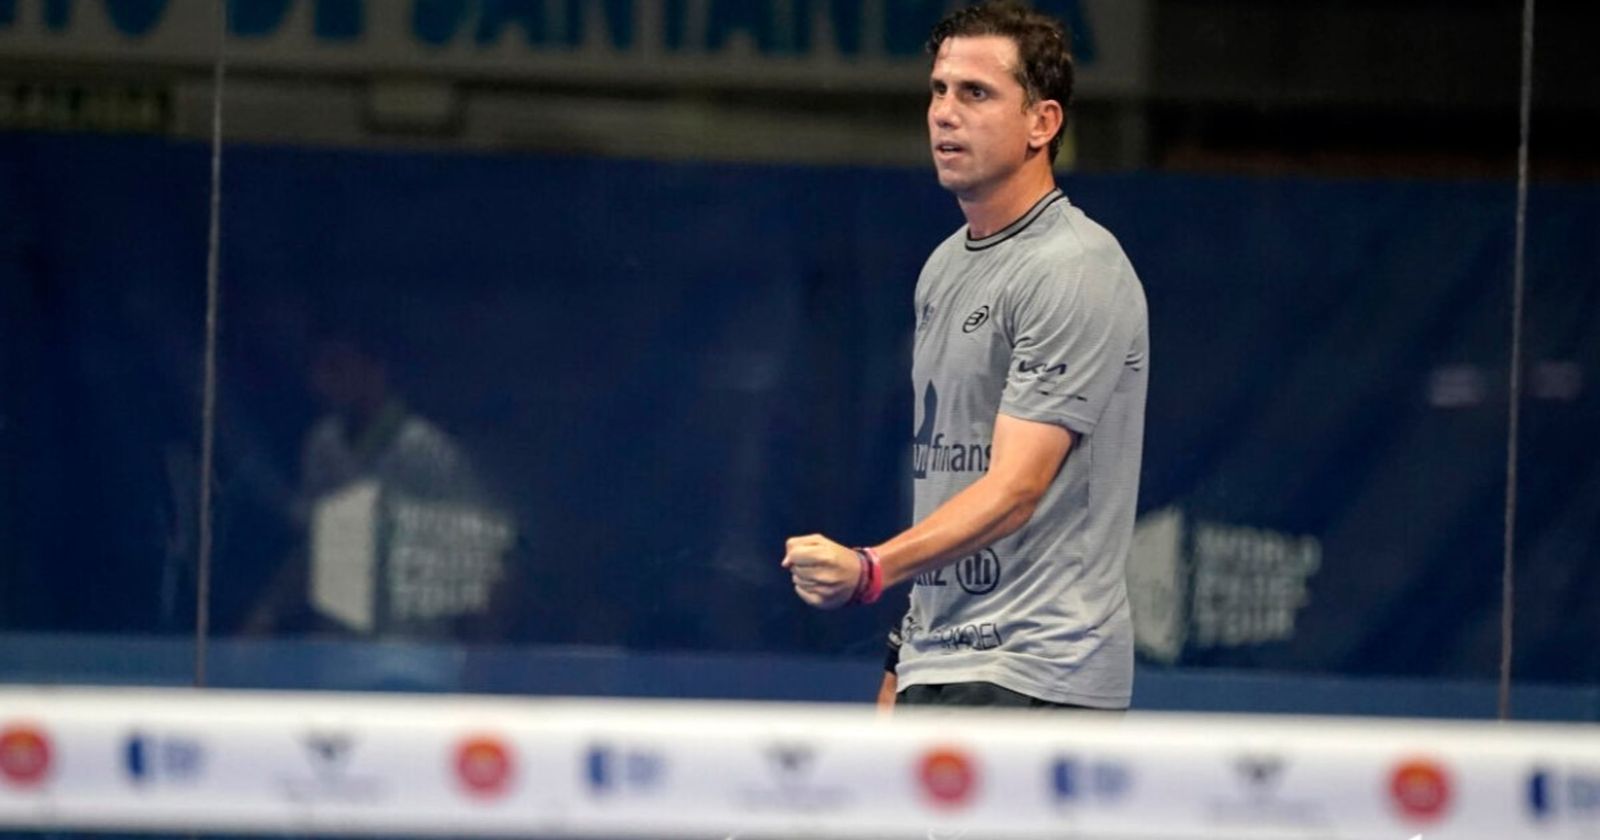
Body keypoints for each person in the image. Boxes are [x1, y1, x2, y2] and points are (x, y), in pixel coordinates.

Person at [783, 1, 1148, 711]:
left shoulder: (1075, 267)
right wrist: (902, 659)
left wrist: (869, 570)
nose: (945, 112)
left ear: (1043, 123)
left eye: (976, 93)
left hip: (1037, 674)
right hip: (938, 663)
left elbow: (1014, 490)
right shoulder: (945, 268)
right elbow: (953, 483)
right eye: (939, 90)